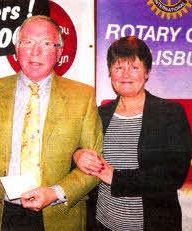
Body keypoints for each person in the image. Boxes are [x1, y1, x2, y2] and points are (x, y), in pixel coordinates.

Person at [0, 15, 103, 231]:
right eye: (28, 43)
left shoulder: (82, 96)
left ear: (59, 52)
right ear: (17, 48)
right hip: (2, 213)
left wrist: (55, 192)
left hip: (59, 214)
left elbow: (94, 164)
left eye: (45, 43)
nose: (36, 52)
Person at [74, 36, 192, 230]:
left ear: (147, 72)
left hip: (154, 225)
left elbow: (175, 175)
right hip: (103, 224)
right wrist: (78, 154)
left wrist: (115, 178)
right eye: (118, 67)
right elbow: (78, 151)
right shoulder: (98, 114)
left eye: (134, 67)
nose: (125, 74)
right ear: (110, 72)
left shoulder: (170, 113)